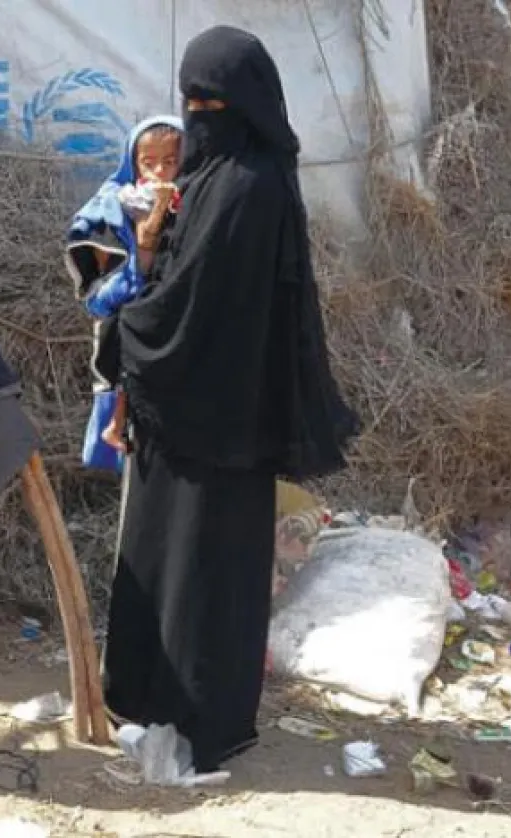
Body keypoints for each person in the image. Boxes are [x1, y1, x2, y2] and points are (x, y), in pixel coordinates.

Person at [103, 26, 359, 773]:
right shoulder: (220, 176)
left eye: (211, 103)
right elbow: (175, 273)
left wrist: (126, 329)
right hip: (192, 413)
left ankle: (199, 720)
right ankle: (150, 701)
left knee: (205, 573)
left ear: (245, 104)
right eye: (190, 102)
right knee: (171, 558)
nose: (198, 116)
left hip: (216, 417)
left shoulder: (247, 187)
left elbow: (192, 300)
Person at [65, 116, 184, 471]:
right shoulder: (111, 210)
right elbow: (99, 299)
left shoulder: (199, 208)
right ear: (132, 164)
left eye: (171, 161)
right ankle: (115, 426)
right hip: (132, 345)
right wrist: (144, 246)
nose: (159, 172)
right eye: (148, 163)